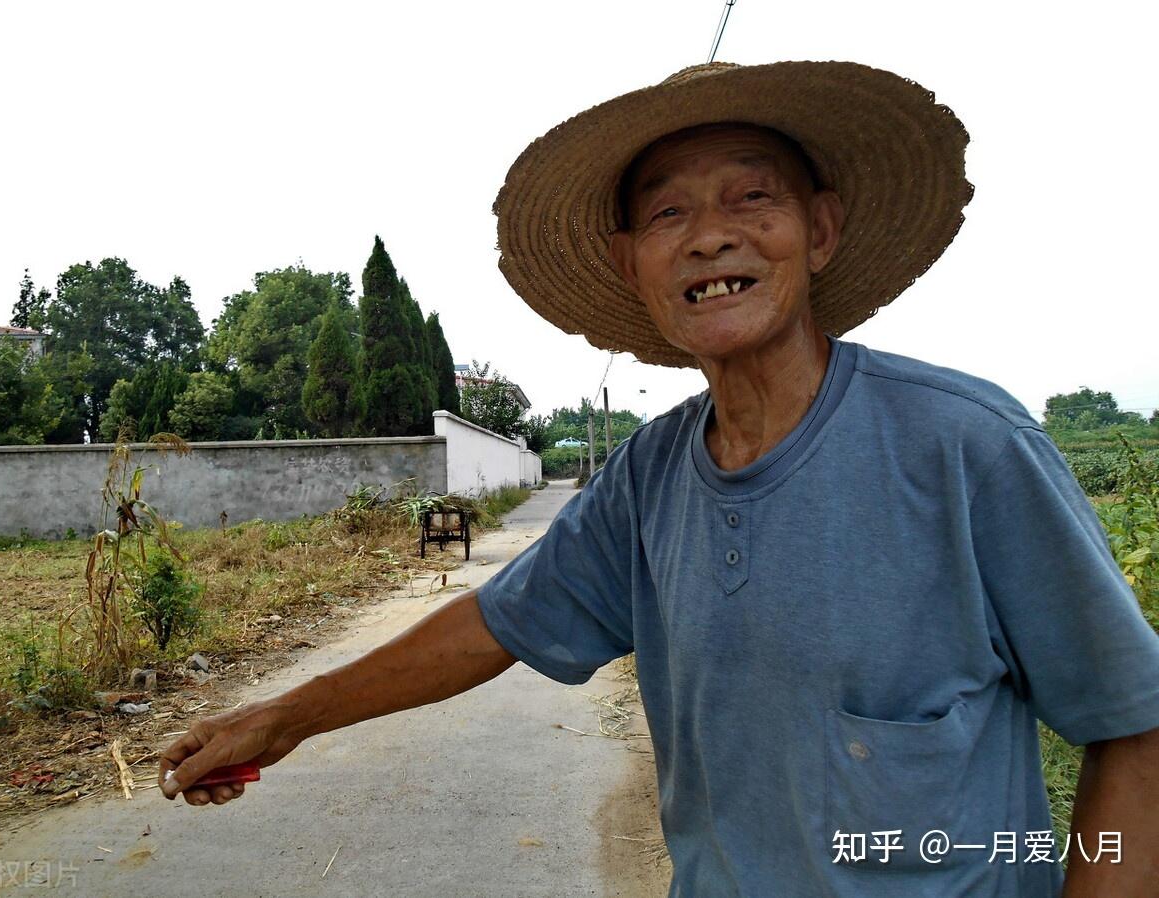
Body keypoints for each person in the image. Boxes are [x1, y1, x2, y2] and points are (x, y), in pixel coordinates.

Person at [160, 61, 1159, 896]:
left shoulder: (965, 446)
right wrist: (284, 715)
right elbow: (496, 622)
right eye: (670, 212)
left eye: (750, 197)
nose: (711, 235)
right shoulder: (647, 478)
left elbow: (1137, 729)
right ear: (632, 261)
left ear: (821, 230)